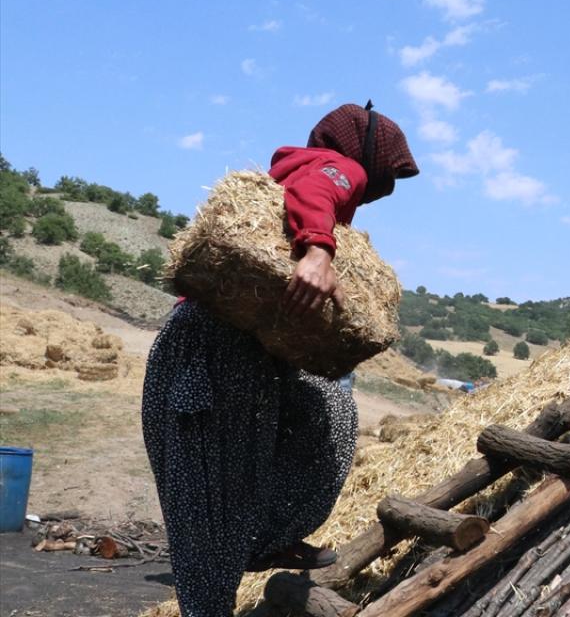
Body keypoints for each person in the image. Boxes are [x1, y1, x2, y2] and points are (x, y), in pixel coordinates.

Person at [142, 103, 419, 616]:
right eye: (390, 173)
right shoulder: (342, 169)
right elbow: (320, 189)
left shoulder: (286, 176)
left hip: (230, 352)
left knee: (328, 413)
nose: (384, 188)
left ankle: (261, 538)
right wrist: (318, 249)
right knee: (211, 512)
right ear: (368, 156)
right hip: (211, 352)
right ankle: (233, 560)